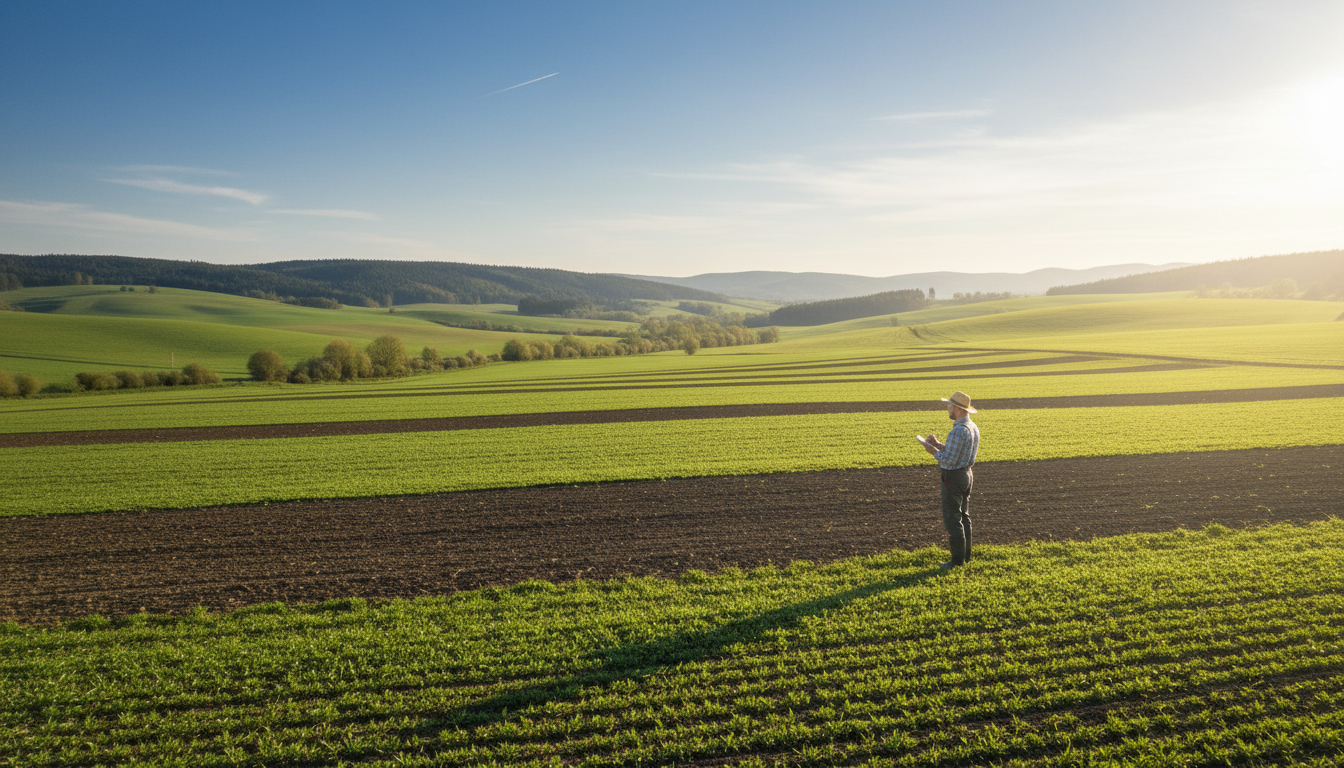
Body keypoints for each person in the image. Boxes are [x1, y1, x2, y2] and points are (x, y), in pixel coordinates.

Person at [920, 391, 980, 569]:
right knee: (964, 516)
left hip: (953, 477)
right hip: (967, 475)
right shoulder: (972, 427)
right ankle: (966, 557)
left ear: (956, 408)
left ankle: (956, 562)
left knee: (953, 519)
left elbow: (949, 460)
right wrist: (938, 444)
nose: (947, 409)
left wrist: (933, 452)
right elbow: (957, 452)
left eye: (949, 406)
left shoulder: (958, 430)